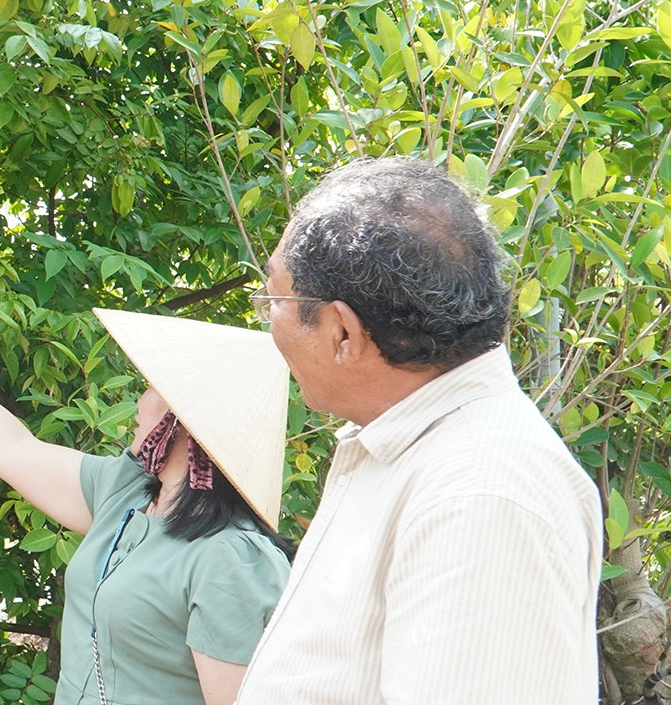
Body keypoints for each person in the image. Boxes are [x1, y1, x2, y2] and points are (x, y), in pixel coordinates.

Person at [235, 156, 603, 703]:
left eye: (274, 299)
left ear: (342, 332)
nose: (268, 319)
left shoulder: (480, 497)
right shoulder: (415, 448)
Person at [0, 306, 294, 705]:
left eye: (150, 389)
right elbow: (12, 448)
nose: (138, 404)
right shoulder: (127, 492)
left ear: (179, 423)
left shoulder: (232, 560)